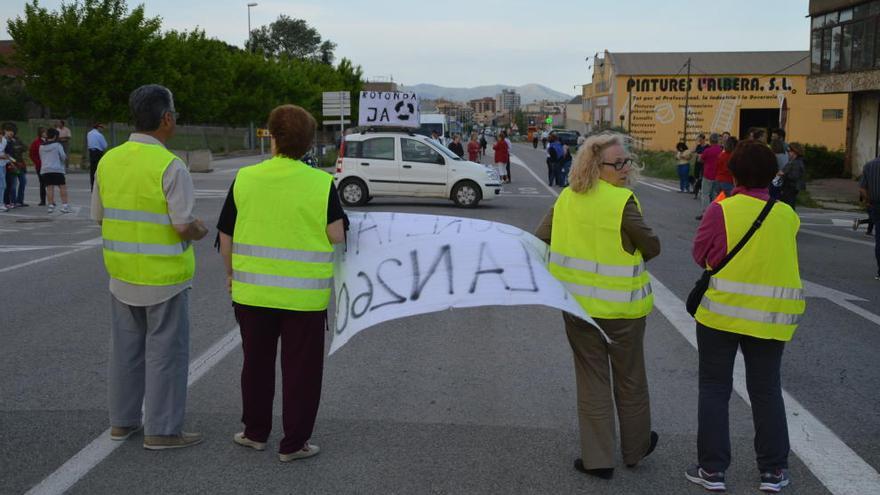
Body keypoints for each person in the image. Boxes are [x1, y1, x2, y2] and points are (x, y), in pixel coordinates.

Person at [217, 104, 346, 462]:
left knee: (255, 365)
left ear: (271, 137)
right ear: (307, 144)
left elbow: (225, 235)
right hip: (304, 299)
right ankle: (294, 444)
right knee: (301, 372)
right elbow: (336, 235)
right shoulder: (320, 183)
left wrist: (231, 275)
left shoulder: (245, 178)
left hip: (252, 293)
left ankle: (255, 432)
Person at [536, 132, 660, 480]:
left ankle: (598, 459)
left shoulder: (566, 199)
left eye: (626, 162)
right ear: (597, 166)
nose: (625, 168)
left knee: (592, 381)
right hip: (623, 314)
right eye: (617, 163)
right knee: (630, 379)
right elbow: (651, 246)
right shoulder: (622, 202)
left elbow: (541, 236)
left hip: (577, 310)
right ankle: (635, 451)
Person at [92, 84, 209, 450]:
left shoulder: (109, 160)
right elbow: (181, 224)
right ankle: (162, 430)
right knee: (166, 355)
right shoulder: (170, 165)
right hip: (165, 279)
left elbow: (99, 216)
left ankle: (122, 423)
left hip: (122, 273)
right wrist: (199, 229)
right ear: (166, 118)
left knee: (125, 352)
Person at [688, 140, 804, 493]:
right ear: (772, 174)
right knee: (767, 389)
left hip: (721, 315)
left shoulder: (721, 210)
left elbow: (700, 254)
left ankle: (712, 470)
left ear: (733, 171)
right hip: (771, 318)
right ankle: (773, 471)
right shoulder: (787, 215)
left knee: (714, 388)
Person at [859, 154, 880, 280]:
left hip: (875, 205)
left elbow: (862, 188)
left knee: (879, 237)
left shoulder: (869, 166)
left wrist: (868, 200)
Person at [39, 128, 70, 214]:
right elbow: (63, 156)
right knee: (62, 187)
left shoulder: (41, 146)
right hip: (57, 169)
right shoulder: (57, 145)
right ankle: (65, 205)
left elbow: (41, 157)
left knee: (49, 188)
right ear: (55, 136)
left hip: (46, 169)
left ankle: (50, 205)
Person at [697, 133, 723, 219]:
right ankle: (714, 213)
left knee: (705, 194)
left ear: (710, 141)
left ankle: (705, 213)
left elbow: (700, 160)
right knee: (714, 195)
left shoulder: (707, 150)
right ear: (718, 141)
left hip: (707, 175)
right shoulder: (721, 151)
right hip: (717, 176)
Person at [779, 142, 805, 209]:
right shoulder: (795, 162)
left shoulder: (796, 163)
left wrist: (783, 174)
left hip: (790, 189)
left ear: (795, 152)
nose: (788, 153)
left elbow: (794, 176)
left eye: (789, 151)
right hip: (790, 188)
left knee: (788, 206)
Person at [88, 122, 109, 190]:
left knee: (92, 169)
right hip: (98, 152)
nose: (102, 130)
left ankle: (92, 185)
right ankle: (98, 185)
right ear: (99, 127)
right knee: (98, 169)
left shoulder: (89, 133)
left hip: (91, 152)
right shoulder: (99, 135)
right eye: (102, 128)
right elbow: (105, 145)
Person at [29, 127, 47, 206]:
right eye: (43, 132)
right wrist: (37, 162)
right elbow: (32, 154)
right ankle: (43, 200)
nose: (45, 133)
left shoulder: (49, 141)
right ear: (40, 133)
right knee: (42, 183)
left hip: (48, 165)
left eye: (46, 132)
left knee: (50, 184)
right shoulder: (36, 142)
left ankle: (51, 200)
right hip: (40, 165)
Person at [693, 134, 708, 200]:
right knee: (696, 177)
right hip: (697, 163)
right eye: (699, 139)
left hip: (704, 164)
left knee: (702, 178)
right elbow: (695, 152)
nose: (700, 141)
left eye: (701, 139)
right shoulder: (698, 146)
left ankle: (703, 192)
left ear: (704, 139)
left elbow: (707, 155)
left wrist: (700, 155)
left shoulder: (707, 146)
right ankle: (695, 193)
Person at [0, 125, 11, 211]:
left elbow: (6, 152)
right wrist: (2, 157)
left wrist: (7, 157)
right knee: (2, 184)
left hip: (3, 164)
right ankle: (1, 203)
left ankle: (2, 202)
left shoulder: (4, 141)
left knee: (3, 185)